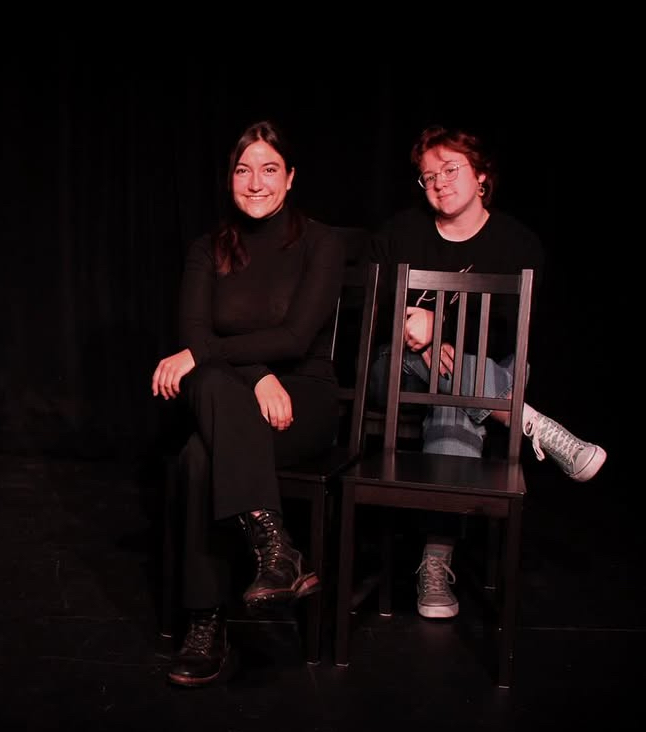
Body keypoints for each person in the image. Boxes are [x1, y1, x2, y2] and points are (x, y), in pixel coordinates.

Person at [365, 124, 607, 621]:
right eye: (427, 175)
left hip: (483, 368)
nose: (438, 182)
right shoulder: (398, 234)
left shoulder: (518, 244)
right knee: (426, 365)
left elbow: (511, 335)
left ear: (481, 177)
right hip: (398, 369)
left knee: (454, 401)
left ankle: (434, 562)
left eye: (450, 169)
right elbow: (368, 312)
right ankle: (533, 423)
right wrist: (417, 329)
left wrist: (442, 327)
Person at [152, 120, 345, 687]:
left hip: (301, 397)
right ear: (230, 179)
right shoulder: (206, 248)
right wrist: (254, 372)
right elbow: (191, 329)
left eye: (268, 169)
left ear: (290, 178)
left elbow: (295, 338)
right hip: (228, 393)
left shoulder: (321, 242)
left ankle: (205, 620)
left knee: (198, 453)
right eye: (243, 170)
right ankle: (274, 549)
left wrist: (256, 371)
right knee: (206, 409)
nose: (255, 182)